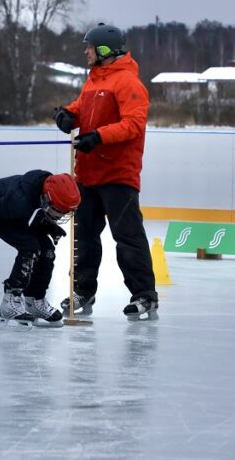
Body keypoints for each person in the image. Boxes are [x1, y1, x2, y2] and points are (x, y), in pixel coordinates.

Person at [53, 23, 158, 321]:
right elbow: (82, 108)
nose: (85, 52)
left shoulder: (128, 83)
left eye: (89, 47)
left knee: (127, 237)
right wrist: (67, 116)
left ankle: (144, 295)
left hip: (118, 176)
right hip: (88, 174)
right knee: (84, 236)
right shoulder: (95, 80)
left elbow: (133, 124)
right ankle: (83, 290)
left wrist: (97, 136)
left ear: (103, 50)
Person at [0, 170, 81, 328]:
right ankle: (9, 302)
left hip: (22, 212)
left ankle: (35, 300)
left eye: (65, 213)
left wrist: (50, 226)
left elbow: (38, 213)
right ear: (46, 199)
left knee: (47, 250)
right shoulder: (17, 202)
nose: (60, 217)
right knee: (29, 246)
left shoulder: (43, 194)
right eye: (57, 211)